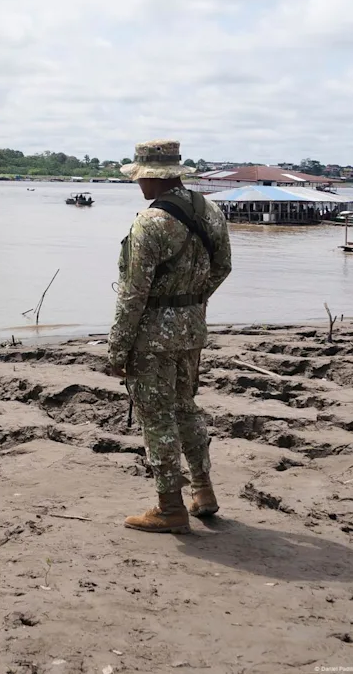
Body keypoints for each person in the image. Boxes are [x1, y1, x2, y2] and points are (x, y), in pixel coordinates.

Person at [109, 139, 233, 534]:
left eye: (140, 178)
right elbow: (223, 267)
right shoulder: (210, 210)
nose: (138, 184)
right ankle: (203, 491)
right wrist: (190, 302)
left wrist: (117, 348)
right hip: (192, 330)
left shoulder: (150, 222)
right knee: (186, 408)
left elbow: (133, 293)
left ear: (153, 178)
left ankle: (169, 507)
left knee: (157, 417)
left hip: (152, 338)